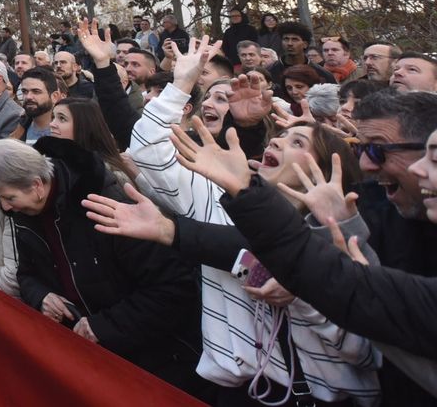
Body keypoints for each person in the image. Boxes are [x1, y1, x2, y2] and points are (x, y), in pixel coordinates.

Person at [172, 119, 437, 400]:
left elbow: (363, 340)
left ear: (320, 168)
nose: (418, 168)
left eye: (434, 158)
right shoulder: (226, 204)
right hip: (248, 388)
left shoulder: (365, 236)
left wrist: (177, 230)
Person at [0, 139, 206, 396]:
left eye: (9, 197)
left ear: (36, 186)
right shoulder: (24, 214)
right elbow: (27, 273)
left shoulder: (106, 204)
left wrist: (102, 327)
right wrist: (40, 296)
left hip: (157, 364)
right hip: (91, 359)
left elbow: (172, 287)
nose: (5, 207)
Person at [14, 68, 59, 144]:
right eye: (24, 91)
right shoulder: (15, 127)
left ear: (54, 96)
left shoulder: (66, 132)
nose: (28, 97)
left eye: (36, 92)